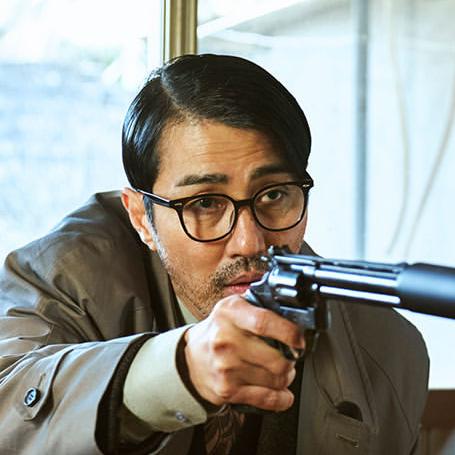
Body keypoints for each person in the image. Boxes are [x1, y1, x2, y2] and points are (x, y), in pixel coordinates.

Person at [0, 54, 428, 455]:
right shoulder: (62, 277)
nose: (249, 243)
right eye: (204, 203)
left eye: (274, 194)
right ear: (142, 218)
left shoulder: (387, 352)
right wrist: (178, 371)